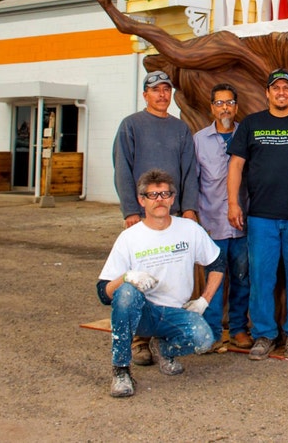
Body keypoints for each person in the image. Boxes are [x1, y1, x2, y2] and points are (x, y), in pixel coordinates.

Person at [97, 169, 224, 398]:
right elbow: (103, 293)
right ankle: (121, 371)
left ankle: (165, 349)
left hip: (175, 313)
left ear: (173, 198)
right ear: (141, 200)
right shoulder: (129, 238)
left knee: (205, 340)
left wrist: (204, 301)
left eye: (165, 194)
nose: (160, 200)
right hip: (142, 314)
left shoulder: (189, 229)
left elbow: (218, 264)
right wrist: (126, 278)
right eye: (153, 195)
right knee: (125, 292)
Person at [112, 69, 200, 366]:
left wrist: (189, 209)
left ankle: (164, 336)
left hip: (173, 216)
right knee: (140, 276)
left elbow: (189, 171)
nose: (162, 95)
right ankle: (139, 340)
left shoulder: (180, 129)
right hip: (142, 215)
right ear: (145, 95)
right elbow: (122, 169)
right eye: (155, 90)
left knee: (168, 277)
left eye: (166, 90)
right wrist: (130, 211)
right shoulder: (131, 125)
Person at [227, 69, 288, 361]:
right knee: (261, 278)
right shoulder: (252, 124)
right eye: (275, 88)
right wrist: (233, 203)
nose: (281, 92)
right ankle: (264, 334)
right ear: (267, 93)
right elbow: (236, 166)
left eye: (286, 88)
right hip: (261, 217)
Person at [193, 83, 251, 351]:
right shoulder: (199, 140)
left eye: (229, 103)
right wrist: (193, 216)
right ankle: (213, 332)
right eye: (219, 103)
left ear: (236, 107)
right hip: (212, 222)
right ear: (211, 108)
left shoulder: (247, 134)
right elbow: (192, 180)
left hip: (243, 225)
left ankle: (238, 330)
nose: (224, 108)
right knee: (214, 279)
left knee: (241, 278)